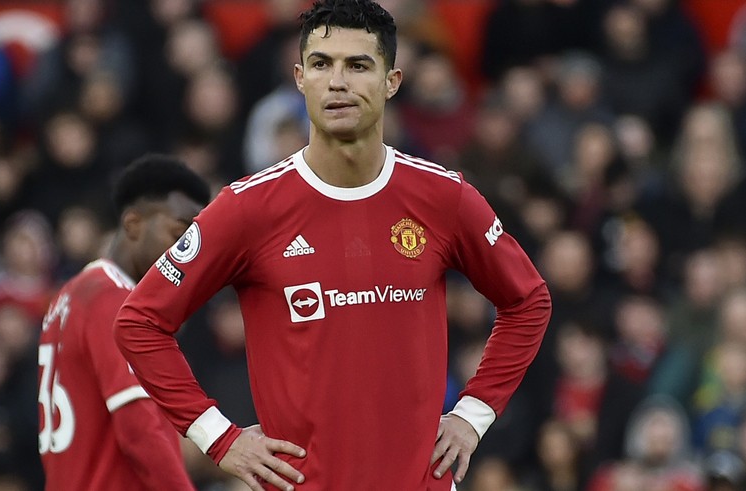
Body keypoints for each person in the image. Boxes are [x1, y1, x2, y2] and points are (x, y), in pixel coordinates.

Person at [114, 1, 551, 490]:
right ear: (300, 78)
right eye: (322, 64)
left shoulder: (443, 197)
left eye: (358, 65)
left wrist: (473, 414)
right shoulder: (248, 208)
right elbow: (141, 322)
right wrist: (219, 437)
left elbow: (528, 300)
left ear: (393, 81)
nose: (337, 81)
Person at [37, 154, 209, 490]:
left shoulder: (69, 296)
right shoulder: (115, 301)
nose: (187, 253)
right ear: (133, 224)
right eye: (180, 234)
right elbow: (139, 426)